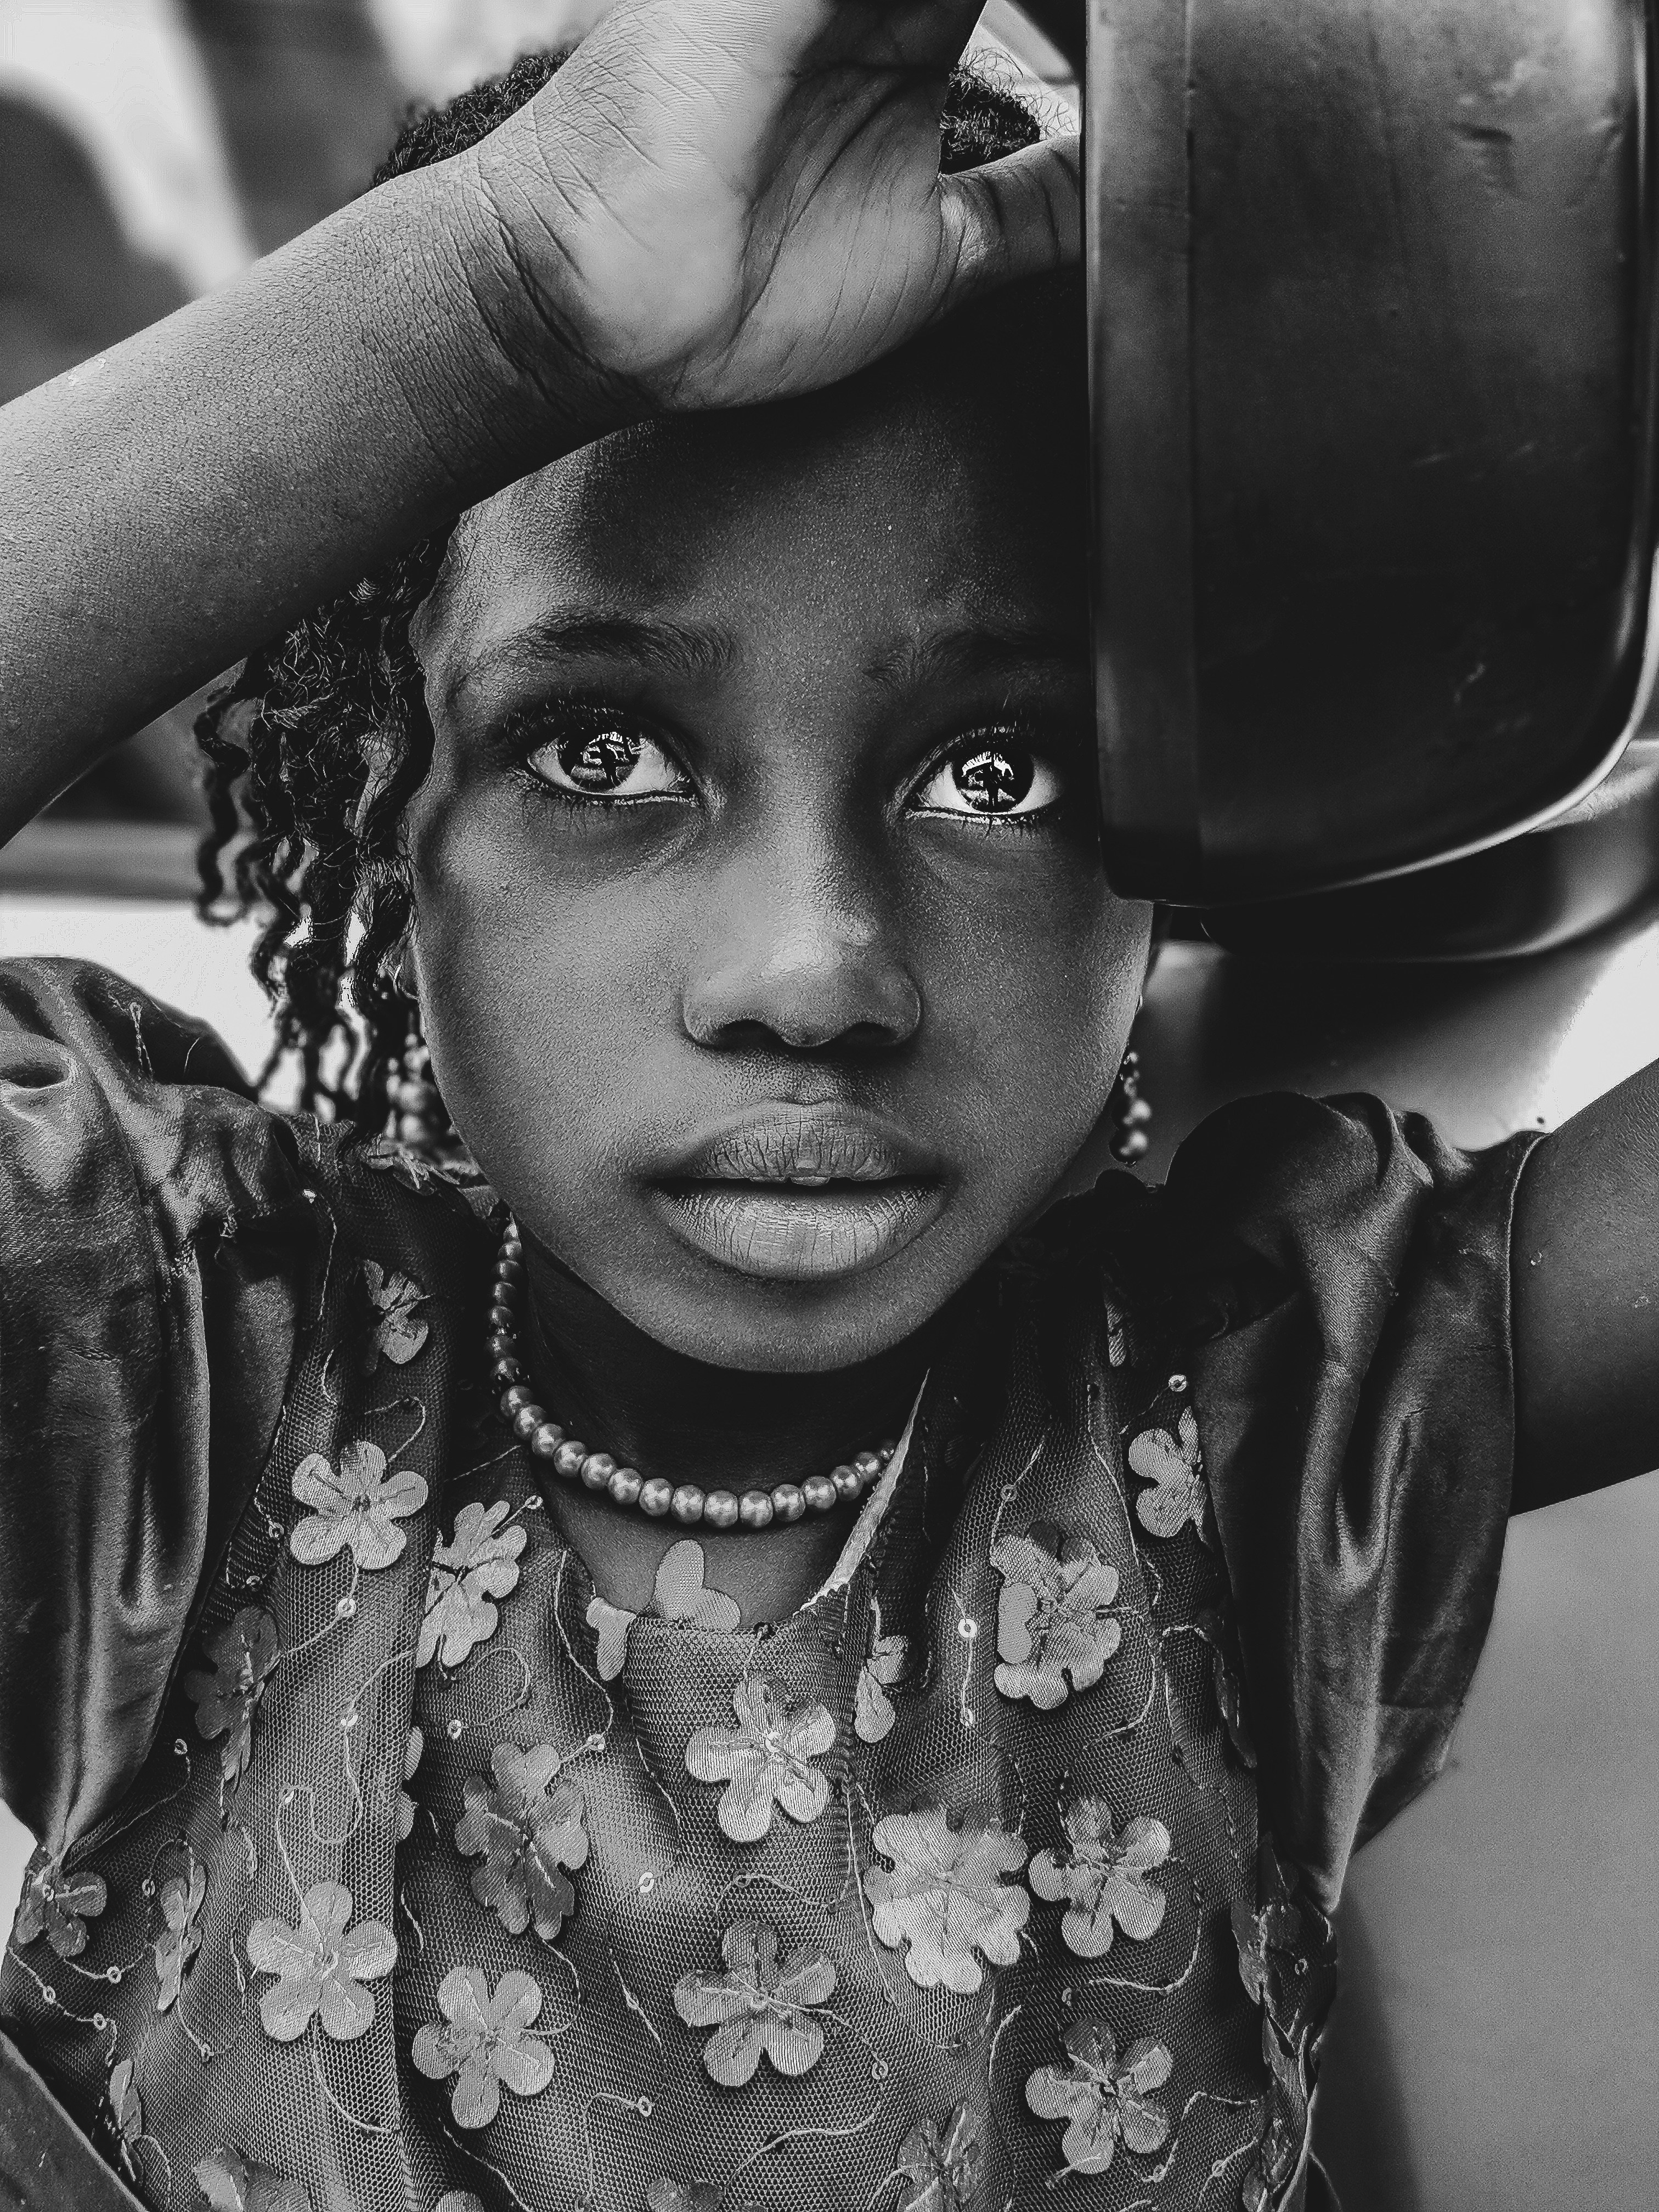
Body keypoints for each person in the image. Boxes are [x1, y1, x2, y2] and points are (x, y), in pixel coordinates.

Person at [0, 7, 1650, 2209]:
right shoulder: (172, 1373)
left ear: (1159, 843)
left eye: (998, 770)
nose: (816, 970)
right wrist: (518, 280)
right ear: (395, 824)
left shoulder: (1263, 1411)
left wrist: (1523, 254)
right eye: (604, 750)